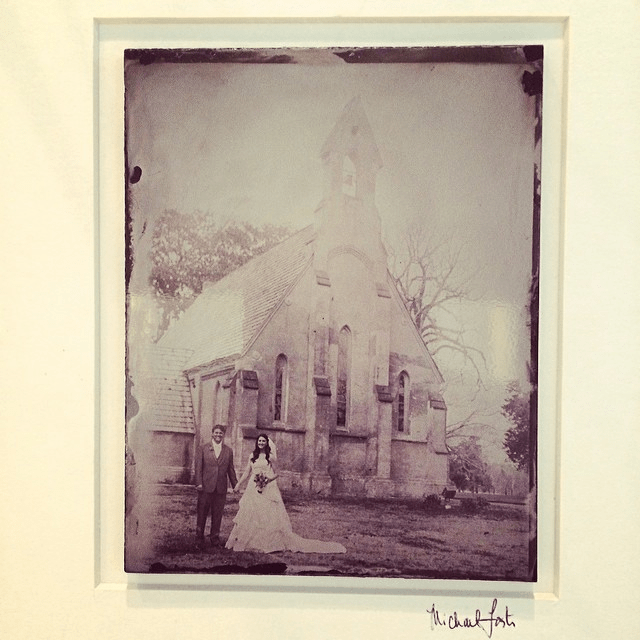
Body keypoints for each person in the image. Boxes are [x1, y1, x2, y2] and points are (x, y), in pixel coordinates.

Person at [226, 433, 346, 554]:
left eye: (263, 441)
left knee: (266, 514)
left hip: (266, 486)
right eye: (259, 441)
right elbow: (247, 471)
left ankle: (267, 542)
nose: (261, 443)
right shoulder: (252, 456)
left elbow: (277, 473)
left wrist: (267, 480)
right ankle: (246, 541)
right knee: (250, 512)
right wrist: (238, 484)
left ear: (267, 443)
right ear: (257, 443)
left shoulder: (271, 457)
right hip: (253, 487)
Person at [194, 425, 238, 549]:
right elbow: (198, 467)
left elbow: (231, 469)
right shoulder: (203, 448)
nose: (218, 435)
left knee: (217, 514)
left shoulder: (228, 451)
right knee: (202, 513)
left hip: (220, 488)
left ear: (223, 435)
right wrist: (198, 483)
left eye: (221, 433)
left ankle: (215, 539)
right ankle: (199, 539)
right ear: (212, 434)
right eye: (216, 433)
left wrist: (236, 485)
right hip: (205, 487)